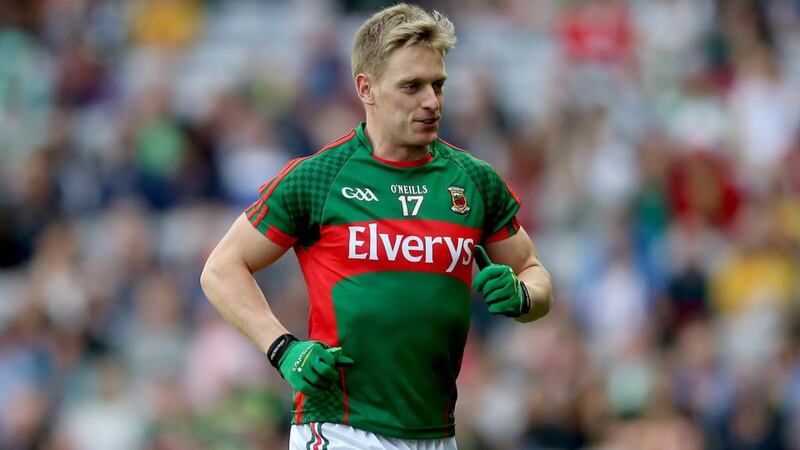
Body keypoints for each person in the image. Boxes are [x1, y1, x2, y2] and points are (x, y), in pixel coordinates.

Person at [200, 3, 553, 449]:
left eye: (438, 85)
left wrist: (524, 295)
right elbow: (221, 268)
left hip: (436, 434)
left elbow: (534, 273)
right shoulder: (318, 176)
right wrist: (282, 347)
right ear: (366, 88)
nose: (432, 100)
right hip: (339, 428)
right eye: (412, 86)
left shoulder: (474, 179)